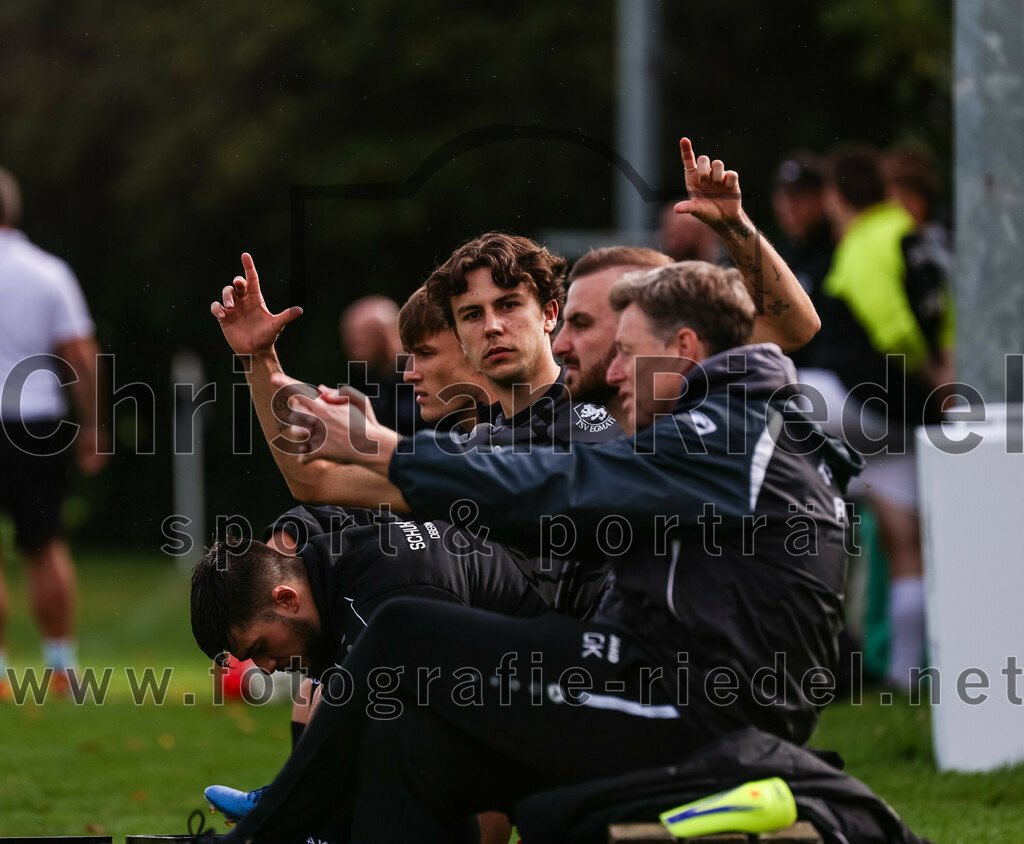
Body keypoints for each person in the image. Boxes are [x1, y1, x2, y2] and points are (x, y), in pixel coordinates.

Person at [221, 143, 862, 842]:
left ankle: (278, 827)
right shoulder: (496, 440)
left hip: (649, 679)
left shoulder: (653, 417)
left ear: (551, 314)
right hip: (590, 660)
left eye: (517, 308)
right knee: (400, 710)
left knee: (400, 627)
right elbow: (316, 479)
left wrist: (734, 230)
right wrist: (259, 360)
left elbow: (786, 329)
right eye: (471, 315)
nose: (493, 327)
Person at [193, 506, 547, 838]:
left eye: (260, 648)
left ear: (286, 599)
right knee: (317, 699)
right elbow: (323, 509)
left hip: (558, 681)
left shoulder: (393, 594)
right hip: (509, 664)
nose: (266, 668)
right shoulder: (329, 562)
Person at [802, 145, 953, 691]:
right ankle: (905, 678)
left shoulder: (866, 240)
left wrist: (927, 370)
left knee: (759, 388)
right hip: (904, 423)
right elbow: (944, 320)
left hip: (851, 402)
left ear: (836, 197)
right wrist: (943, 382)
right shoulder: (918, 239)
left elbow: (893, 329)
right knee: (906, 545)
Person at [0, 166, 108, 699]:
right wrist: (95, 424)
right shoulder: (47, 272)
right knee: (45, 546)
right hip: (35, 422)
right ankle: (61, 666)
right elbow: (80, 355)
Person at [339, 294, 419, 435]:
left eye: (361, 339)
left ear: (386, 335)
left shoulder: (419, 373)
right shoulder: (363, 380)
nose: (352, 348)